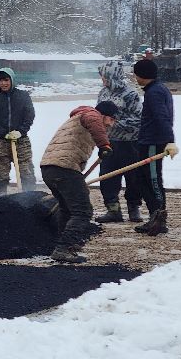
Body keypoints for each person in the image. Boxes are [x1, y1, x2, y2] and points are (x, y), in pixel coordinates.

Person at [40, 101, 117, 263]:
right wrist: (104, 145)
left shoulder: (77, 118)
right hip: (64, 168)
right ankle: (63, 249)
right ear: (104, 115)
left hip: (49, 168)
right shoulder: (91, 114)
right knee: (83, 211)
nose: (112, 123)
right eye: (112, 119)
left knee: (67, 209)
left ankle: (63, 245)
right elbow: (94, 120)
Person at [129, 57, 179, 235]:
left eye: (136, 74)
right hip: (146, 141)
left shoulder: (155, 92)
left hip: (153, 143)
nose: (135, 77)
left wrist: (170, 140)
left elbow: (162, 118)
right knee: (142, 180)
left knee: (152, 180)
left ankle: (159, 218)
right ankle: (154, 217)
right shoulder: (154, 90)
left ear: (143, 75)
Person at [93, 62, 145, 222]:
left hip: (130, 144)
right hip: (109, 143)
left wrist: (115, 124)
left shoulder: (130, 94)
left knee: (134, 178)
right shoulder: (103, 93)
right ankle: (113, 210)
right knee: (107, 177)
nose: (102, 79)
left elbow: (138, 119)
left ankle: (133, 209)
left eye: (104, 75)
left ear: (111, 75)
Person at [0, 68, 36, 195]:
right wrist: (3, 133)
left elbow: (29, 116)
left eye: (6, 80)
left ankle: (29, 198)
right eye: (0, 81)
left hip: (21, 141)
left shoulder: (23, 96)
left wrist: (20, 131)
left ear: (12, 80)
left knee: (26, 170)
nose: (3, 83)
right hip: (1, 141)